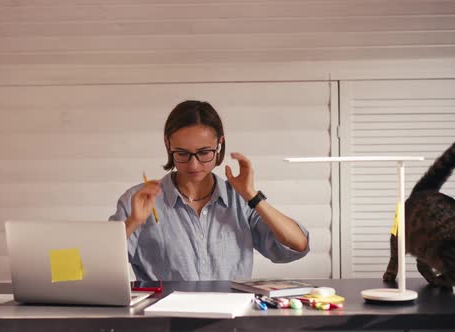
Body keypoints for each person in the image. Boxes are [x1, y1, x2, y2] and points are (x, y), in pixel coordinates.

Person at [109, 100, 309, 281]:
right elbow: (97, 267)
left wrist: (252, 195)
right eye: (182, 153)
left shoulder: (240, 201)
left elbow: (297, 245)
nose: (194, 165)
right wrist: (133, 223)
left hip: (231, 318)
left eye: (204, 153)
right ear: (167, 144)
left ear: (219, 144)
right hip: (163, 318)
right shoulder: (137, 200)